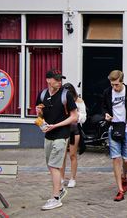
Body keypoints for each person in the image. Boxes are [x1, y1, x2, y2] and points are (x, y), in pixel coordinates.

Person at [36, 69, 78, 210]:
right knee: (50, 165)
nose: (60, 82)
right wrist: (40, 115)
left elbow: (74, 117)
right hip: (48, 136)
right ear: (48, 80)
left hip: (62, 135)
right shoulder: (42, 95)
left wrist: (56, 126)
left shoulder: (66, 95)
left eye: (61, 79)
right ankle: (59, 189)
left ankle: (55, 198)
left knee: (54, 166)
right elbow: (40, 116)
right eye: (56, 79)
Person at [102, 70, 127, 202]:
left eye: (116, 85)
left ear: (122, 81)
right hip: (113, 128)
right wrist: (106, 114)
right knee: (116, 159)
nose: (114, 87)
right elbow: (104, 107)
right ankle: (120, 189)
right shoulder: (107, 92)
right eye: (112, 84)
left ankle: (124, 175)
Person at [60, 83, 87, 188]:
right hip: (62, 130)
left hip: (73, 129)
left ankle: (72, 178)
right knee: (61, 156)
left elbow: (83, 117)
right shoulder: (61, 102)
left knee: (72, 154)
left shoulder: (79, 101)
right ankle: (61, 178)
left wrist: (76, 116)